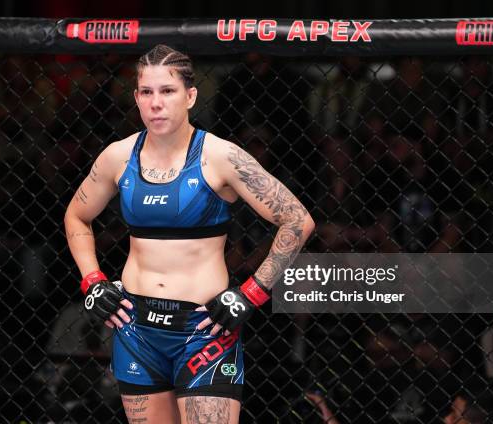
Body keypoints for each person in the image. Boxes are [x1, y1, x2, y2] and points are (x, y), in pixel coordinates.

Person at [64, 44, 315, 423]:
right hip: (135, 327)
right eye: (147, 92)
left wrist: (252, 292)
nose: (156, 103)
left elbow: (297, 220)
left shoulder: (221, 156)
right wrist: (93, 282)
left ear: (190, 96)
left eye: (167, 91)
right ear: (135, 97)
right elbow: (76, 217)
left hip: (203, 329)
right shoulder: (118, 156)